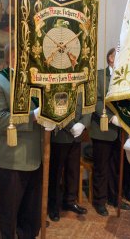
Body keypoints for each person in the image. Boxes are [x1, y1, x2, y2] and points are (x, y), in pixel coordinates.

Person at [0, 44, 55, 238]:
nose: (28, 56)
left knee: (31, 214)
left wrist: (53, 119)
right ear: (10, 57)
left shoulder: (38, 80)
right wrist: (33, 116)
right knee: (10, 213)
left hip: (39, 156)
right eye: (22, 53)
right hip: (13, 159)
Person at [89, 48, 130, 216]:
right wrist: (113, 118)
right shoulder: (99, 76)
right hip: (103, 128)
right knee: (102, 167)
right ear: (111, 58)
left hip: (121, 131)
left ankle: (115, 198)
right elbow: (95, 101)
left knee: (117, 167)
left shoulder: (127, 77)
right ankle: (100, 201)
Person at [47, 94, 90, 222]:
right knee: (56, 173)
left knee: (73, 171)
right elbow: (56, 107)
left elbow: (89, 107)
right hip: (61, 135)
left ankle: (70, 201)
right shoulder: (60, 79)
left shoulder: (82, 84)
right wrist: (71, 126)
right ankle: (53, 205)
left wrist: (82, 125)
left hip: (77, 137)